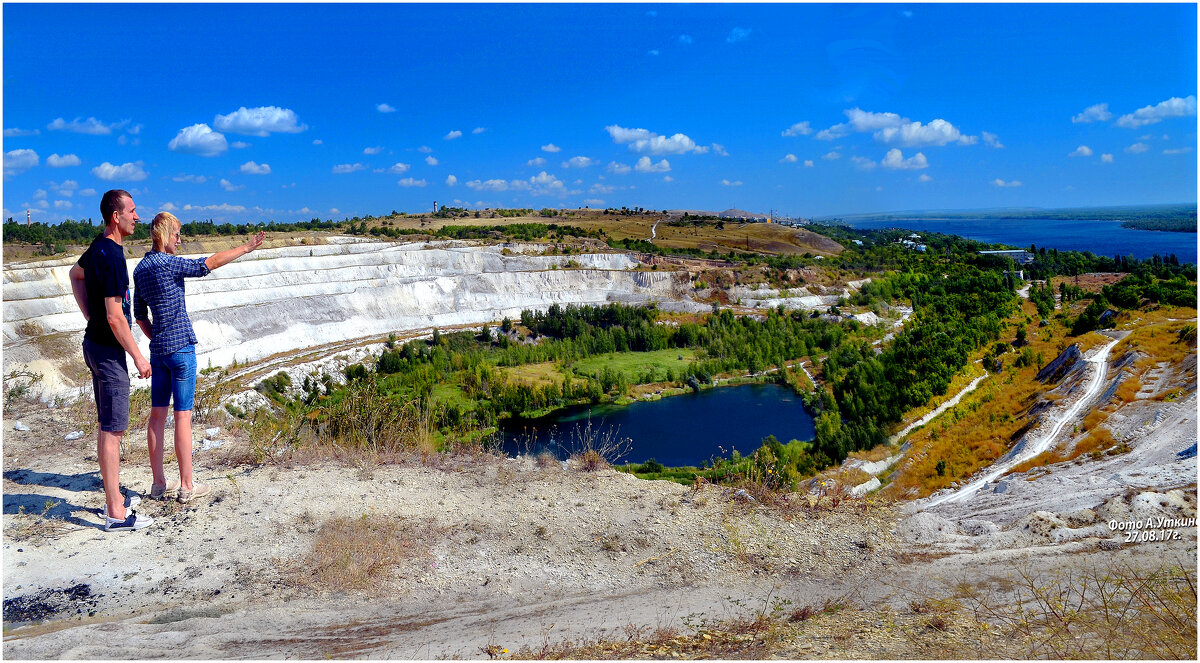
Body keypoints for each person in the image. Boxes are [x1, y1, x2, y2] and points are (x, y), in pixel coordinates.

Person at [133, 212, 264, 503]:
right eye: (177, 235)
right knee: (183, 417)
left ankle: (158, 484)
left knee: (156, 417)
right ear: (165, 235)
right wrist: (245, 248)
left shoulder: (140, 269)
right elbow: (208, 264)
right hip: (181, 348)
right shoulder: (168, 263)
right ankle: (187, 486)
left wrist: (158, 337)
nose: (180, 241)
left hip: (159, 352)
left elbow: (139, 315)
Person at [69, 189, 154, 532]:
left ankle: (113, 499)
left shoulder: (98, 248)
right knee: (113, 429)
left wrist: (90, 316)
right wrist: (138, 356)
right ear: (115, 217)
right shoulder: (114, 256)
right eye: (132, 211)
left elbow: (75, 274)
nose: (137, 216)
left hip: (94, 344)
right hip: (107, 352)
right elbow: (116, 317)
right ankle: (116, 511)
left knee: (108, 426)